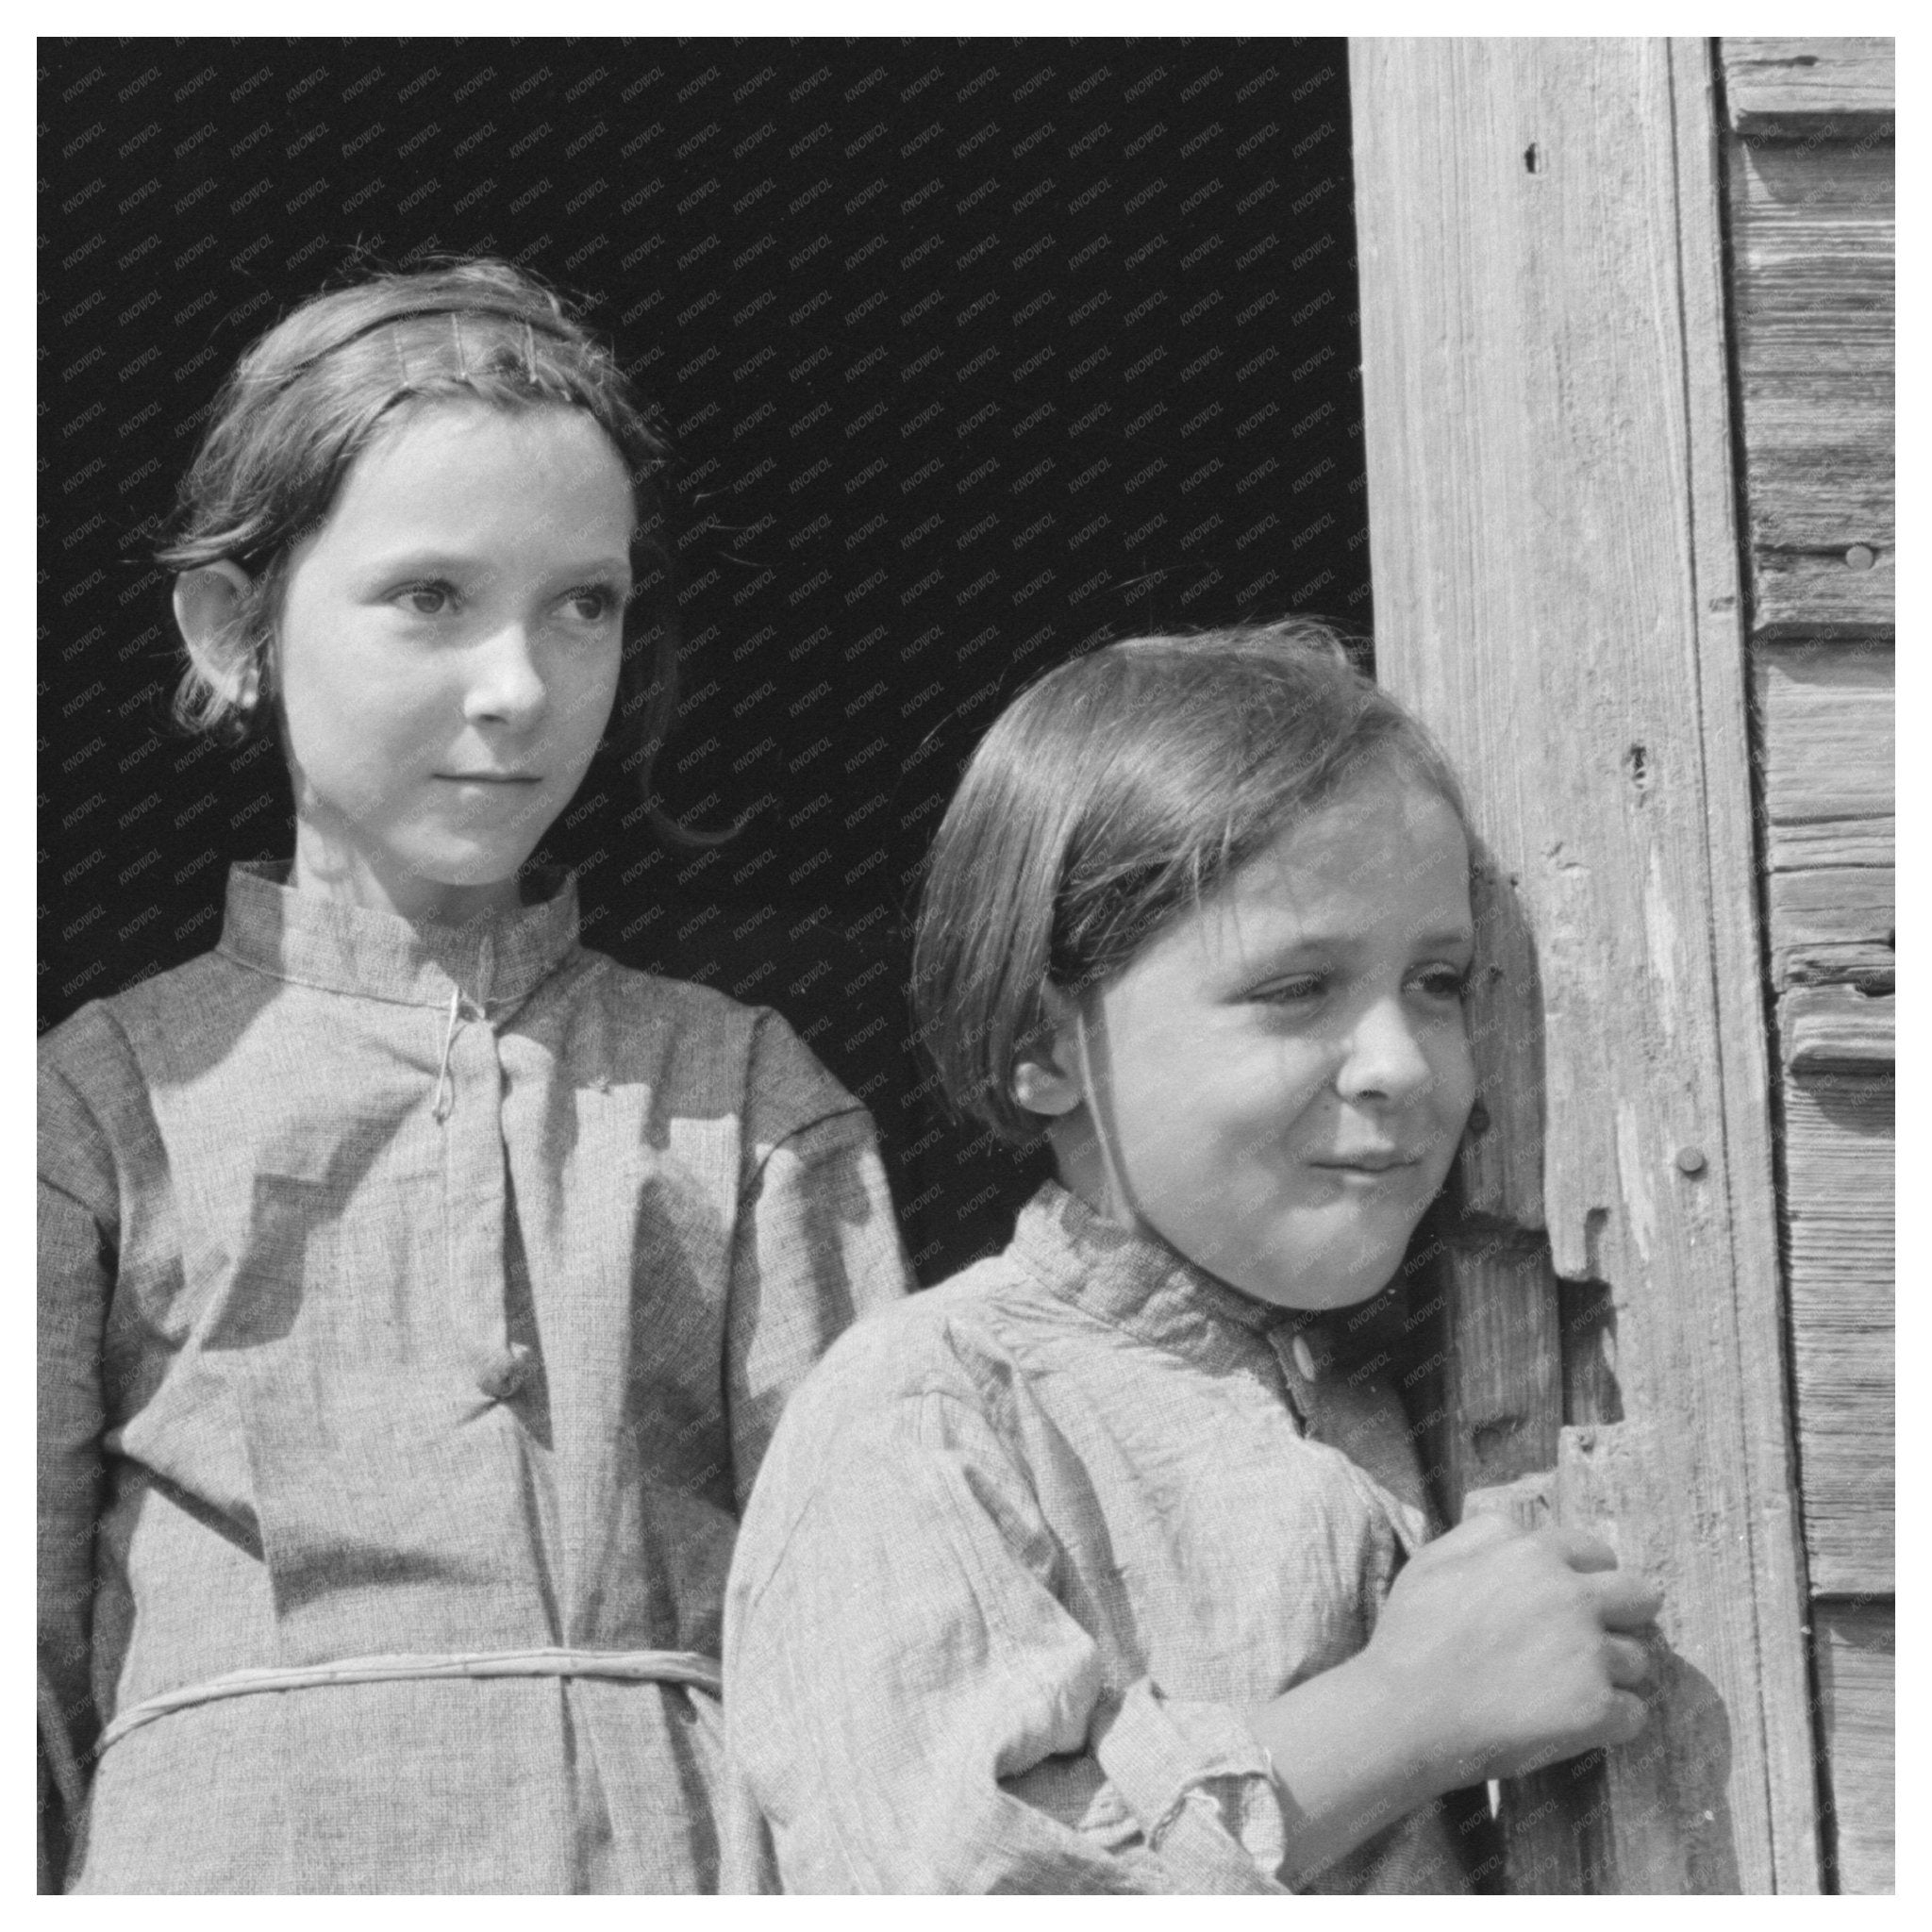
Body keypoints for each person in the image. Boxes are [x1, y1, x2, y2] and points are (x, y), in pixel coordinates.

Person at [38, 258, 911, 1893]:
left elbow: (876, 1652)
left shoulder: (741, 1098)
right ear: (235, 629)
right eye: (431, 596)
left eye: (584, 603)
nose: (520, 685)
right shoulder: (91, 1112)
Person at [722, 624, 1659, 1892]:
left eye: (1438, 982)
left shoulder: (1427, 1378)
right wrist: (1398, 1720)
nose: (1398, 1063)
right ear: (1044, 1042)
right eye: (1295, 989)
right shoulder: (928, 1416)